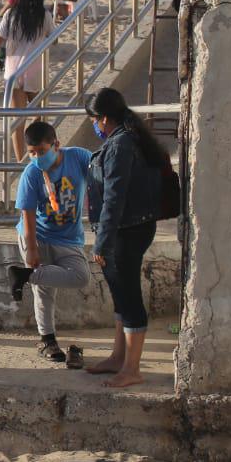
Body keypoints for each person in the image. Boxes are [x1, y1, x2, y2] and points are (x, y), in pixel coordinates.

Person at [85, 88, 167, 388]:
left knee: (128, 296)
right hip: (131, 228)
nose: (94, 125)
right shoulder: (128, 139)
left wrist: (103, 241)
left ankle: (131, 368)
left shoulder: (120, 145)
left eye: (94, 119)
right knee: (121, 295)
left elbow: (114, 198)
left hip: (125, 232)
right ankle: (119, 358)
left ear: (103, 118)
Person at [7, 121, 93, 364]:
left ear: (56, 145)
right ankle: (48, 340)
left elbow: (99, 174)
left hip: (69, 237)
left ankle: (23, 276)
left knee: (81, 276)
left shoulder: (78, 157)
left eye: (41, 151)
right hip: (38, 234)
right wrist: (32, 248)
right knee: (44, 291)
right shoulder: (32, 173)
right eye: (32, 152)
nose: (37, 157)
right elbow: (28, 213)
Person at [0, 0, 53, 160]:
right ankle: (37, 153)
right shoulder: (44, 16)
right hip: (33, 70)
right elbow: (53, 39)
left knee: (18, 119)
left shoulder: (11, 15)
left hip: (13, 71)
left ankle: (19, 159)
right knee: (38, 113)